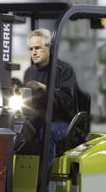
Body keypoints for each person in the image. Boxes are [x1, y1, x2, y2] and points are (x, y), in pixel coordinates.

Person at [23, 29, 83, 166]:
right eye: (31, 49)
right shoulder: (30, 72)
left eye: (37, 48)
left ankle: (42, 184)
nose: (34, 52)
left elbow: (67, 101)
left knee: (47, 132)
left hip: (63, 121)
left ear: (49, 48)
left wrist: (44, 88)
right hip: (40, 118)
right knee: (16, 128)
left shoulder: (64, 70)